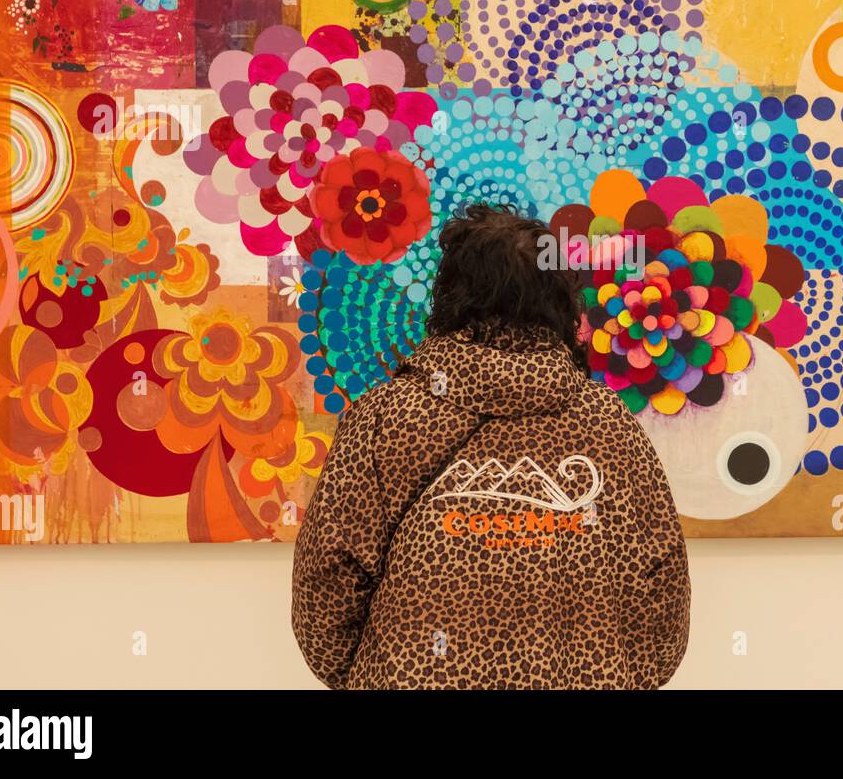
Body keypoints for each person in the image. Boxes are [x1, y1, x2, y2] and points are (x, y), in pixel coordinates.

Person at [291, 202, 691, 689]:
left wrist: (373, 674)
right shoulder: (608, 424)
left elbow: (326, 582)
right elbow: (660, 586)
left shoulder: (383, 417)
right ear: (561, 301)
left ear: (452, 297)